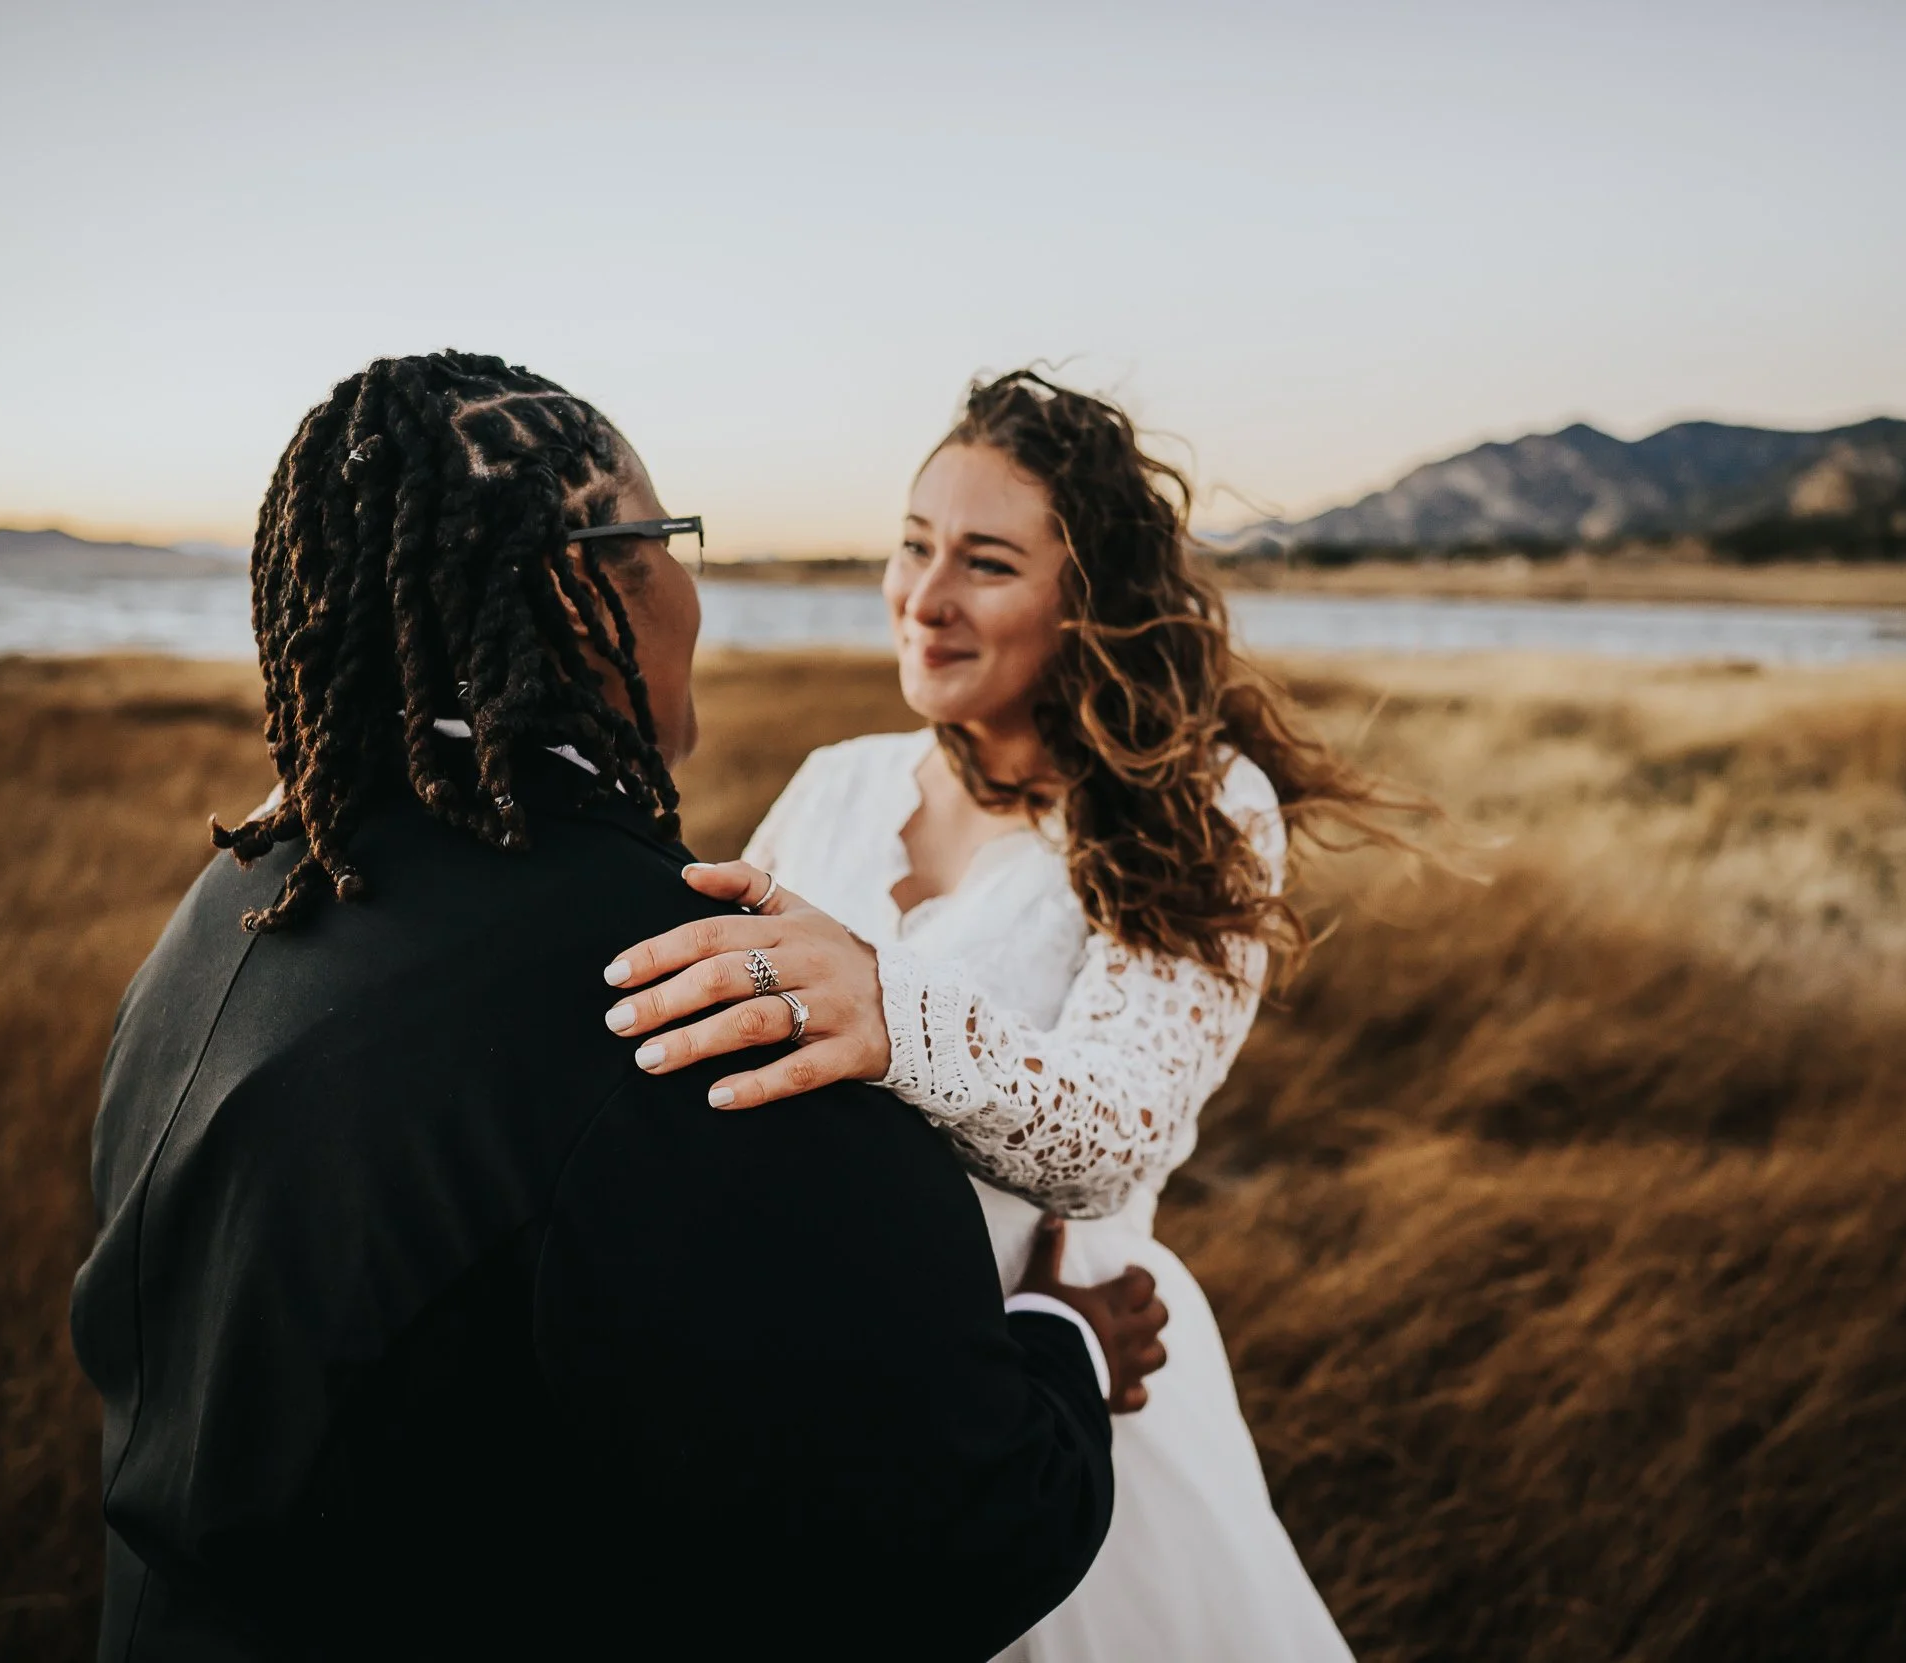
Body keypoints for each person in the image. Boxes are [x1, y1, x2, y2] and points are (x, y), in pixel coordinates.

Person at [69, 352, 1169, 1662]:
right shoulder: (689, 1002)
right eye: (671, 540)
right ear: (588, 583)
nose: (696, 588)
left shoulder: (240, 898)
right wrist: (1062, 1338)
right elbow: (969, 1529)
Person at [601, 370, 1425, 1660]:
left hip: (1078, 1394)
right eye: (914, 546)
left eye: (984, 564)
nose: (923, 601)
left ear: (1086, 600)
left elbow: (1118, 1135)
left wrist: (888, 1008)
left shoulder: (1200, 808)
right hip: (845, 1396)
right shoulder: (836, 784)